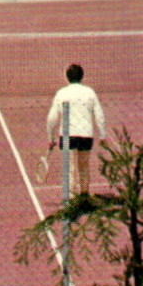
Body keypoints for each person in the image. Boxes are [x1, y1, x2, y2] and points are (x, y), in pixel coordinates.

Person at [45, 63, 106, 198]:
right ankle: (84, 195)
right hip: (86, 135)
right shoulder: (90, 92)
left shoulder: (62, 93)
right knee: (84, 166)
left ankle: (70, 199)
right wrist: (102, 134)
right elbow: (99, 114)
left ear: (67, 78)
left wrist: (50, 138)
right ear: (82, 77)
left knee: (69, 168)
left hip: (67, 136)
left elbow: (51, 118)